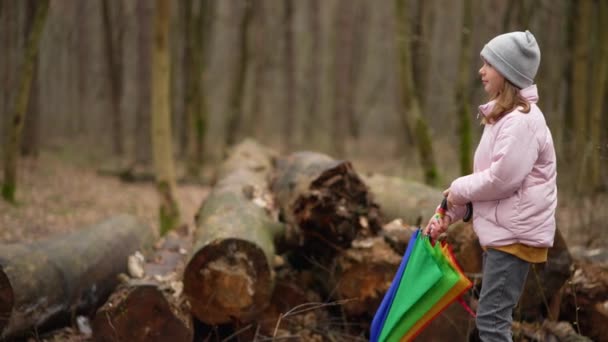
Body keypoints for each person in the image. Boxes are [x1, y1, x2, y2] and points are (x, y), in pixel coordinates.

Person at [424, 30, 557, 342]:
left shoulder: (522, 121)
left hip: (514, 237)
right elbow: (486, 184)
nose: (480, 70)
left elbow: (500, 180)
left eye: (489, 64)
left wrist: (457, 188)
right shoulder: (503, 117)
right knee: (490, 319)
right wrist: (448, 213)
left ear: (508, 73)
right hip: (503, 235)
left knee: (492, 323)